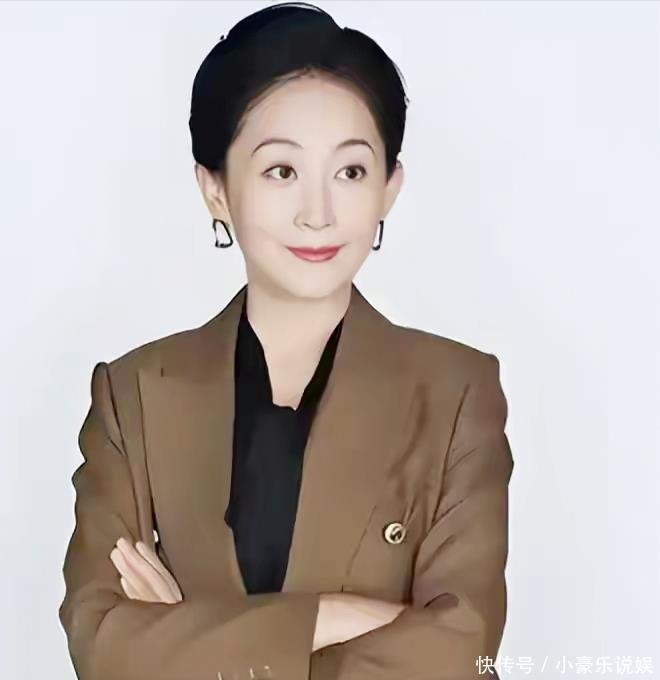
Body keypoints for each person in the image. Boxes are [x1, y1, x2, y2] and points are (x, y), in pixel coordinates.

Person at [58, 3, 514, 679]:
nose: (318, 214)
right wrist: (338, 618)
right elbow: (101, 643)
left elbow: (459, 653)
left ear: (389, 188)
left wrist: (189, 637)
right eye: (281, 171)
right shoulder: (134, 395)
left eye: (351, 172)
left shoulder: (455, 392)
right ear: (215, 189)